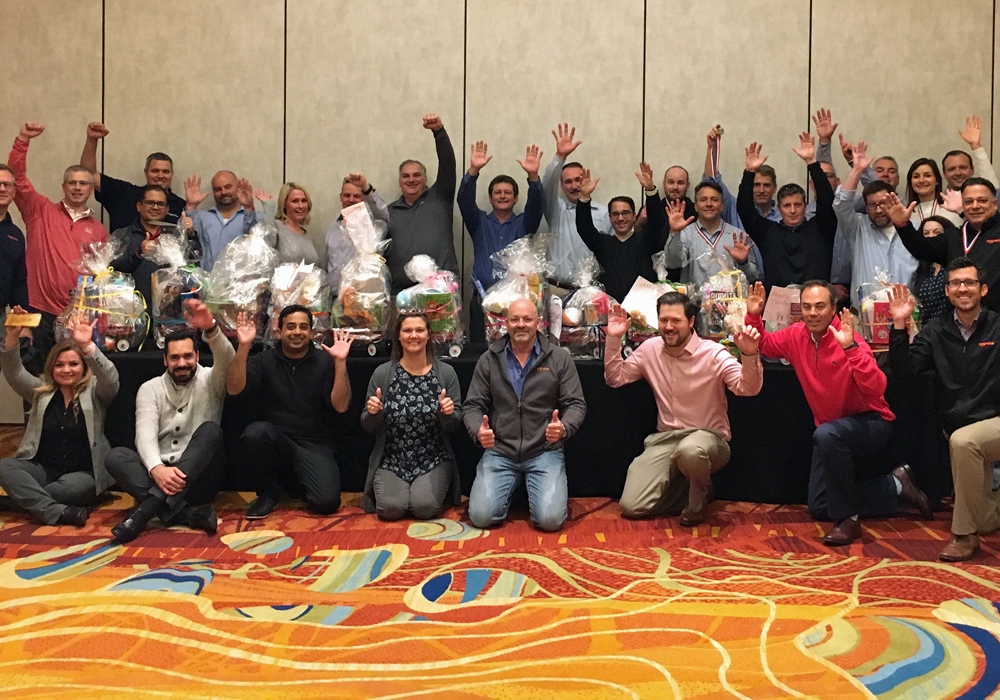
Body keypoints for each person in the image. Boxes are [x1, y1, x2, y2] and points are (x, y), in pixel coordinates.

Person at [744, 281, 931, 545]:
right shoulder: (796, 334)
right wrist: (753, 315)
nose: (812, 313)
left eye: (820, 306)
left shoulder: (848, 337)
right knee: (821, 505)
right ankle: (897, 485)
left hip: (872, 421)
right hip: (830, 430)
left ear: (833, 309)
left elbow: (878, 387)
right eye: (807, 307)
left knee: (826, 435)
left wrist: (850, 349)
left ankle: (849, 521)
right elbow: (764, 343)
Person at [604, 293, 763, 525]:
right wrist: (614, 338)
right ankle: (695, 490)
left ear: (691, 321)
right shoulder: (650, 349)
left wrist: (749, 355)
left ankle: (697, 503)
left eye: (676, 320)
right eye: (663, 320)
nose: (669, 327)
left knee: (691, 450)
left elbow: (747, 388)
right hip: (666, 439)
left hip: (708, 438)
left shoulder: (713, 353)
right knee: (632, 506)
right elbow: (615, 378)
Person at [887, 260, 1000, 561]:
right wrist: (899, 325)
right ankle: (981, 515)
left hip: (993, 424)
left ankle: (964, 536)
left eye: (970, 282)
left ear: (983, 290)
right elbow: (905, 372)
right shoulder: (936, 330)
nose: (963, 288)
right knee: (985, 519)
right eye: (956, 283)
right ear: (947, 291)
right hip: (962, 430)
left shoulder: (997, 327)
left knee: (964, 442)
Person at [104, 300, 232, 543]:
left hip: (199, 480)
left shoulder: (210, 380)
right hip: (160, 477)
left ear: (197, 356)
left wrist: (212, 329)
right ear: (165, 360)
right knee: (116, 457)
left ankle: (145, 511)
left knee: (210, 431)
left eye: (187, 356)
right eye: (175, 357)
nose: (182, 363)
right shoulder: (149, 388)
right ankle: (187, 515)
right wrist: (156, 468)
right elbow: (144, 435)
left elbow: (227, 358)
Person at [463, 298, 586, 531]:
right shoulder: (489, 359)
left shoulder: (559, 358)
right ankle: (516, 486)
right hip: (500, 452)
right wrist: (478, 430)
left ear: (538, 323)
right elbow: (472, 406)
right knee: (480, 517)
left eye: (527, 319)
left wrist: (564, 428)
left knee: (550, 521)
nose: (521, 324)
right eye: (515, 319)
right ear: (506, 323)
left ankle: (524, 487)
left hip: (544, 451)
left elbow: (576, 404)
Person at [227, 305, 352, 519]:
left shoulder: (324, 361)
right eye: (291, 327)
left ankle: (298, 485)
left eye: (303, 327)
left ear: (311, 333)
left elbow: (341, 406)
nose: (297, 332)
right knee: (255, 433)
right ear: (279, 331)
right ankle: (269, 494)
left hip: (313, 443)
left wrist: (340, 363)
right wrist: (244, 346)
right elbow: (233, 389)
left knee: (326, 502)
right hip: (276, 439)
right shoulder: (264, 360)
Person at [0, 308, 119, 526]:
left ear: (83, 367)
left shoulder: (95, 392)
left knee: (61, 491)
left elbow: (111, 379)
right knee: (5, 467)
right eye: (59, 364)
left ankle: (20, 502)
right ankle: (60, 512)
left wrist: (87, 346)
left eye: (73, 364)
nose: (66, 370)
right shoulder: (40, 391)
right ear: (51, 367)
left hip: (83, 473)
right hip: (43, 469)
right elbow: (14, 373)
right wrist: (12, 337)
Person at [8, 122, 108, 364]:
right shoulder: (39, 211)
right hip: (38, 311)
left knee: (75, 376)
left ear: (91, 189)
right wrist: (23, 140)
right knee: (36, 376)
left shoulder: (98, 230)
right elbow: (17, 179)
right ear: (63, 186)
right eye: (72, 183)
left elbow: (101, 281)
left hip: (78, 318)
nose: (77, 188)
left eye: (83, 183)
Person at [361, 311, 463, 520]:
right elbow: (367, 425)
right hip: (392, 460)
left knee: (425, 508)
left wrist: (447, 414)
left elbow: (456, 425)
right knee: (391, 510)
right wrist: (373, 414)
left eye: (419, 330)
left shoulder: (446, 373)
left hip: (433, 459)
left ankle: (425, 490)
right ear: (398, 336)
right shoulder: (382, 374)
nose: (413, 335)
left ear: (428, 335)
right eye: (407, 330)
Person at [458, 141, 544, 343]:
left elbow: (537, 205)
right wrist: (473, 171)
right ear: (490, 198)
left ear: (516, 198)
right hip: (482, 300)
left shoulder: (525, 223)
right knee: (480, 353)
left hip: (518, 305)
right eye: (498, 192)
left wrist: (533, 178)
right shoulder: (478, 222)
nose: (503, 196)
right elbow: (464, 201)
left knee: (518, 350)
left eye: (508, 193)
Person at [737, 135, 837, 288]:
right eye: (787, 205)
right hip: (776, 301)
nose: (792, 210)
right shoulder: (768, 233)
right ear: (779, 208)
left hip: (815, 300)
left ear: (805, 206)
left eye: (797, 205)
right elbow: (744, 209)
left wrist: (812, 163)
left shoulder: (821, 228)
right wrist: (749, 172)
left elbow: (827, 199)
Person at [886, 179, 1000, 313]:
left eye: (982, 200)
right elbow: (921, 248)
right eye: (968, 201)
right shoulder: (953, 236)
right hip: (958, 319)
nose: (975, 206)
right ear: (963, 205)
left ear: (995, 204)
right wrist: (903, 226)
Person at [832, 142, 918, 305]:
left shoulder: (915, 229)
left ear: (893, 200)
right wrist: (857, 170)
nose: (878, 210)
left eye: (883, 203)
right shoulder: (858, 228)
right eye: (872, 205)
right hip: (864, 315)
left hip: (908, 314)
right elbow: (841, 204)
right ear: (865, 206)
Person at [386, 114, 459, 293]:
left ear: (425, 179)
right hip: (400, 294)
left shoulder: (440, 198)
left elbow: (448, 164)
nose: (411, 179)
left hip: (441, 292)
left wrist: (439, 132)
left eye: (417, 175)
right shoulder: (388, 212)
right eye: (406, 176)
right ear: (400, 182)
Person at [575, 163, 667, 303]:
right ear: (610, 218)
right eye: (615, 214)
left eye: (625, 213)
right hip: (610, 308)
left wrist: (650, 191)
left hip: (643, 308)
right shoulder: (602, 244)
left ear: (634, 216)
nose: (620, 218)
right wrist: (584, 198)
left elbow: (657, 222)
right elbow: (584, 228)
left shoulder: (645, 240)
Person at [110, 184, 201, 311]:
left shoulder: (175, 235)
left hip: (170, 313)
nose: (155, 207)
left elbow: (194, 263)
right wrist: (138, 254)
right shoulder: (122, 235)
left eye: (160, 204)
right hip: (133, 312)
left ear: (167, 209)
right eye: (150, 203)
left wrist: (191, 235)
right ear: (139, 206)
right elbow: (112, 270)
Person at [79, 122, 185, 231]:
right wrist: (92, 140)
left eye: (166, 172)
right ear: (146, 172)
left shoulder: (181, 206)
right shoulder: (123, 193)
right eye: (155, 171)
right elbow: (88, 174)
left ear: (172, 174)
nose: (160, 175)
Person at [541, 123, 612, 285]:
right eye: (568, 182)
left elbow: (613, 253)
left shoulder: (604, 214)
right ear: (561, 186)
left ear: (586, 179)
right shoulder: (556, 210)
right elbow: (546, 186)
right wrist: (560, 157)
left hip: (592, 288)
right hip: (558, 289)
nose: (574, 186)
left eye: (578, 180)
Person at [664, 180, 761, 290]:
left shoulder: (738, 236)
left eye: (714, 200)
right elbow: (672, 264)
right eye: (703, 200)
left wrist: (743, 262)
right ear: (696, 206)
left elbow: (754, 277)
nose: (709, 204)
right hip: (694, 300)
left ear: (722, 206)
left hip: (731, 300)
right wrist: (675, 232)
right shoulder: (686, 234)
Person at [325, 173, 389, 293]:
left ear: (364, 198)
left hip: (365, 295)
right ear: (340, 197)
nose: (351, 200)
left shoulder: (373, 224)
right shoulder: (333, 228)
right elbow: (329, 262)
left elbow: (384, 215)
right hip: (336, 295)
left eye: (356, 196)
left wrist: (366, 187)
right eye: (347, 195)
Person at [183, 171, 260, 271]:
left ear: (238, 187)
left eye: (228, 187)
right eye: (217, 189)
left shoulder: (255, 217)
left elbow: (257, 245)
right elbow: (185, 240)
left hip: (240, 279)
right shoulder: (202, 217)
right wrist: (191, 206)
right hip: (206, 279)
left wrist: (249, 208)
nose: (223, 192)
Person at [253, 182, 320, 266]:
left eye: (304, 201)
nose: (301, 206)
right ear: (284, 204)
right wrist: (268, 208)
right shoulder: (276, 226)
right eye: (295, 201)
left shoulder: (309, 237)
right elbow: (265, 247)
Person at [942, 115, 1000, 196]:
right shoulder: (938, 202)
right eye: (951, 169)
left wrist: (976, 146)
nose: (958, 173)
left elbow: (993, 189)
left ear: (972, 169)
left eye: (963, 167)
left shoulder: (985, 199)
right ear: (944, 173)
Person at [0, 164, 28, 322]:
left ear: (14, 191)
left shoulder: (15, 235)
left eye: (7, 185)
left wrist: (23, 321)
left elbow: (18, 283)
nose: (2, 189)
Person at [911, 216, 952, 322]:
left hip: (952, 327)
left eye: (937, 232)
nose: (931, 236)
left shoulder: (955, 265)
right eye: (926, 233)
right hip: (927, 329)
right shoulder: (921, 268)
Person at [903, 158, 963, 227]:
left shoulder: (951, 207)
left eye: (927, 175)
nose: (921, 180)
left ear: (937, 180)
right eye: (916, 176)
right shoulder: (906, 214)